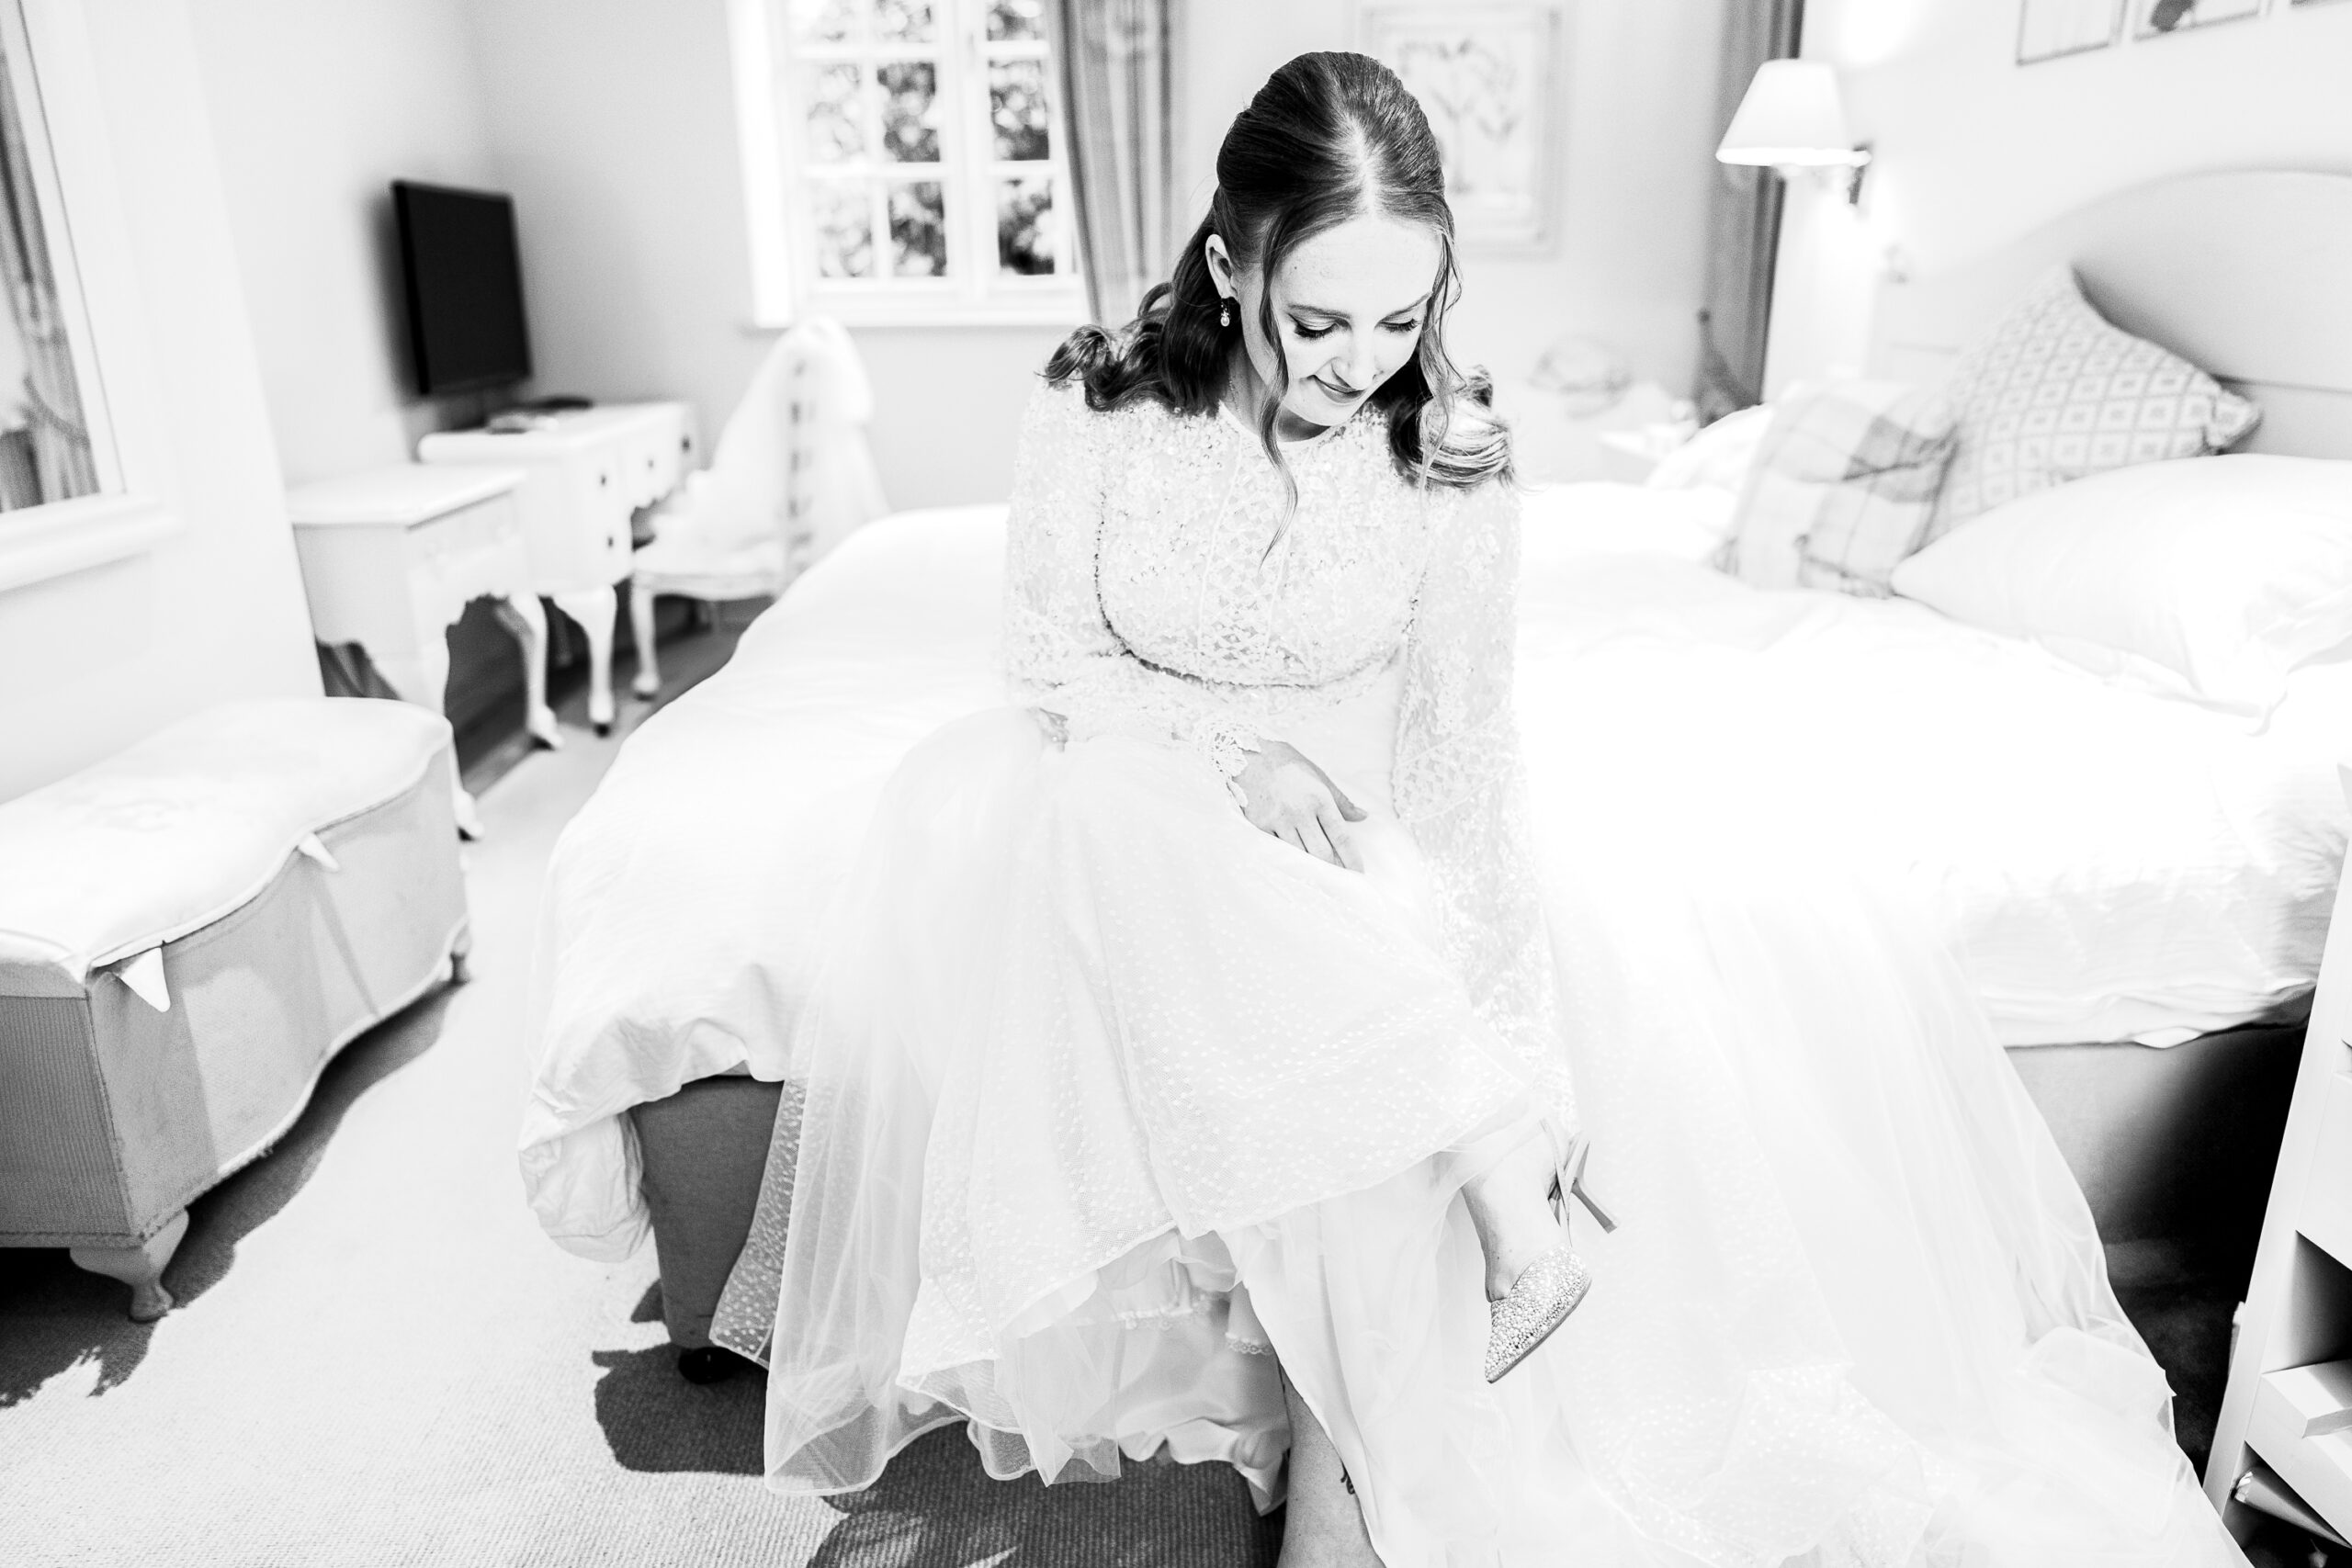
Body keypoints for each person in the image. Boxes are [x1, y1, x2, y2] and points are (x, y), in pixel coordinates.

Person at [741, 51, 2247, 1568]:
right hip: (1134, 776)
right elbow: (1049, 658)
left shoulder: (1448, 454)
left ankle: (1356, 1445)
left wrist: (1510, 1023)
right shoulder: (1100, 401)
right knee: (1126, 827)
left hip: (1353, 816)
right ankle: (1470, 1202)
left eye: (1403, 320)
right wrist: (1224, 756)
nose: (1361, 364)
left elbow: (1465, 754)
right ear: (1225, 264)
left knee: (1353, 961)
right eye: (1318, 319)